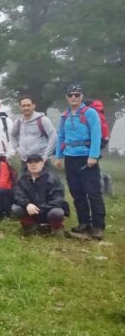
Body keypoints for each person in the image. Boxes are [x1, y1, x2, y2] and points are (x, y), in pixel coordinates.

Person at [54, 84, 106, 240]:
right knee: (77, 193)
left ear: (81, 96)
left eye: (77, 95)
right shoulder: (65, 115)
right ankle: (84, 223)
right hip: (70, 157)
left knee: (93, 193)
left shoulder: (90, 113)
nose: (73, 97)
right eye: (71, 95)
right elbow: (61, 137)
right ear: (67, 97)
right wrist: (59, 156)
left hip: (86, 157)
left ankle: (98, 226)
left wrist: (93, 156)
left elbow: (96, 135)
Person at [13, 153, 69, 237]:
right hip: (31, 211)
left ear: (42, 163)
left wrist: (41, 208)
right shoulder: (22, 178)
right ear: (27, 164)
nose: (33, 164)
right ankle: (30, 227)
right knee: (16, 208)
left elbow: (58, 198)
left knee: (57, 212)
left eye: (36, 162)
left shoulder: (52, 177)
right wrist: (27, 204)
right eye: (30, 162)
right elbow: (18, 195)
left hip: (48, 210)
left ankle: (56, 228)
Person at [10, 95, 57, 169]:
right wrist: (18, 149)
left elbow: (53, 136)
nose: (26, 108)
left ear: (33, 106)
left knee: (46, 180)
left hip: (41, 160)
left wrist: (46, 156)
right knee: (25, 180)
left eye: (28, 105)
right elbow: (12, 135)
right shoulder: (18, 122)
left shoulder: (43, 120)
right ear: (20, 107)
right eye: (23, 106)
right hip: (25, 161)